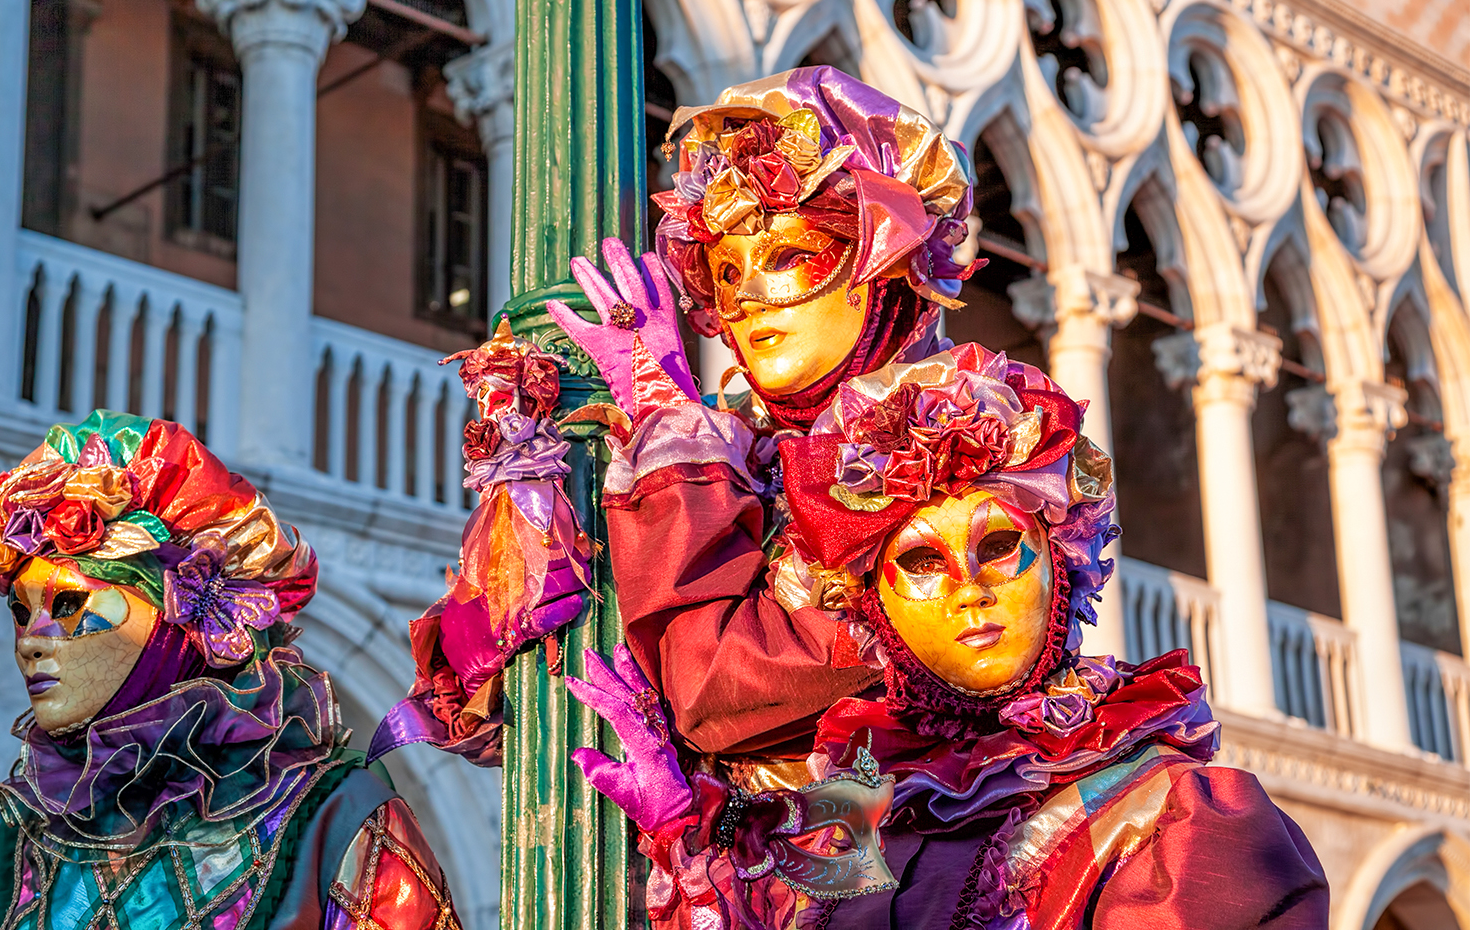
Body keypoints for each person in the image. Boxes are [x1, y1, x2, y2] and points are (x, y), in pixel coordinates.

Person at [566, 343, 1330, 929]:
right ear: (874, 610)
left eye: (999, 547)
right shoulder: (855, 825)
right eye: (923, 562)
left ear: (1061, 569)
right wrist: (688, 847)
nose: (971, 591)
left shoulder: (1177, 819)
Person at [0, 412, 461, 930]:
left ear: (171, 620)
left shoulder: (334, 824)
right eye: (21, 612)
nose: (31, 641)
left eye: (70, 605)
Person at [546, 66, 979, 763]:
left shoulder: (967, 446)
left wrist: (676, 440)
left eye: (786, 256)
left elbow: (718, 690)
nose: (744, 296)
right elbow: (486, 697)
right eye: (724, 271)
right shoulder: (740, 449)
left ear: (883, 268)